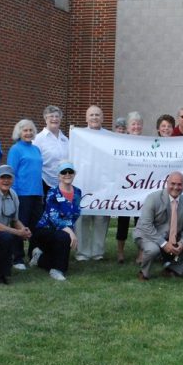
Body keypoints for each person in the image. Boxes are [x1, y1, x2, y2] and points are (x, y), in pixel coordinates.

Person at [134, 171, 183, 280]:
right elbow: (146, 225)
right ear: (167, 184)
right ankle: (143, 273)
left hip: (171, 237)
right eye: (173, 184)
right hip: (147, 235)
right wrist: (164, 244)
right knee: (153, 249)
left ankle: (172, 269)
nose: (176, 187)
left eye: (179, 184)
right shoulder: (153, 198)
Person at [30, 161, 81, 281]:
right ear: (58, 176)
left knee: (59, 252)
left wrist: (70, 231)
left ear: (74, 174)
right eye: (63, 172)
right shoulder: (52, 193)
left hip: (62, 233)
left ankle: (39, 258)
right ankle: (56, 270)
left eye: (70, 172)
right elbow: (54, 217)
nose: (67, 174)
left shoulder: (78, 192)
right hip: (45, 230)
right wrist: (70, 232)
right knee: (64, 238)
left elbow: (75, 214)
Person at [74, 105, 110, 261]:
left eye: (97, 115)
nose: (94, 117)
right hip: (83, 181)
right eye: (91, 115)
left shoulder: (110, 137)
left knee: (101, 218)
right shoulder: (78, 135)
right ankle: (82, 251)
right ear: (86, 118)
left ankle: (97, 251)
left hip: (103, 182)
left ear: (102, 118)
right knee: (83, 218)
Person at [6, 119, 43, 269]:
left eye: (31, 130)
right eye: (25, 130)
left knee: (36, 226)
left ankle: (33, 255)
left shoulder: (36, 149)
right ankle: (18, 259)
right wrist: (12, 193)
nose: (28, 133)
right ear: (19, 133)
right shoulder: (15, 149)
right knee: (21, 225)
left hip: (37, 193)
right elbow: (11, 172)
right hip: (21, 194)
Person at [116, 111, 143, 263]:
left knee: (141, 222)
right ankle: (120, 252)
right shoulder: (121, 141)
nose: (136, 126)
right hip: (125, 189)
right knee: (123, 222)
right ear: (128, 126)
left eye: (138, 124)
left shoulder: (147, 142)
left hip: (142, 188)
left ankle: (140, 253)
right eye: (133, 123)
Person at [34, 105, 70, 196]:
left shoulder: (65, 139)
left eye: (57, 116)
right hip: (45, 183)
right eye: (51, 116)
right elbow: (34, 162)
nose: (54, 119)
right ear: (45, 119)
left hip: (64, 183)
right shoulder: (38, 139)